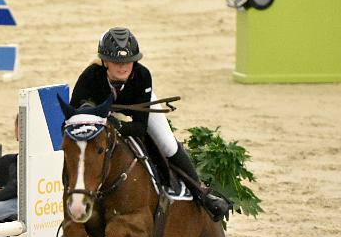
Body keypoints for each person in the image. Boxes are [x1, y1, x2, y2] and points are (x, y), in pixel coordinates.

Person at [70, 27, 230, 222]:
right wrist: (94, 114)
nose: (123, 67)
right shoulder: (90, 76)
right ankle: (68, 218)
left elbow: (139, 128)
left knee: (167, 144)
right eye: (116, 62)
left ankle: (202, 194)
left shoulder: (142, 75)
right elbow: (74, 114)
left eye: (128, 61)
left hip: (132, 114)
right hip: (101, 117)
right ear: (104, 62)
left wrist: (116, 126)